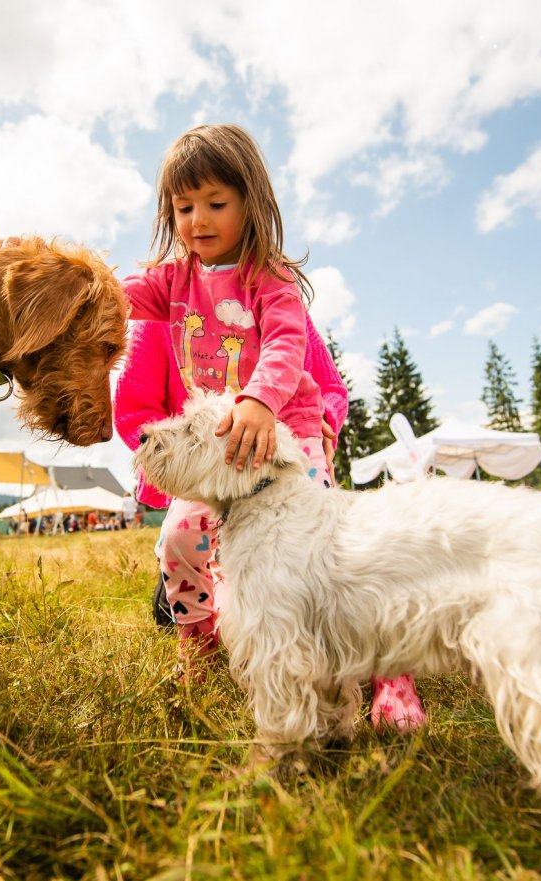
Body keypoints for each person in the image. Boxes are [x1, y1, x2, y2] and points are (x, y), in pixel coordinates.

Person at [117, 123, 423, 730]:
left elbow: (287, 344)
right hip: (220, 450)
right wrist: (76, 294)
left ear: (250, 202)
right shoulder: (172, 282)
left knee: (337, 557)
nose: (198, 219)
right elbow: (117, 295)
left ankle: (392, 674)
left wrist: (259, 399)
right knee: (180, 540)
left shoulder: (269, 278)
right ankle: (199, 651)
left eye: (215, 203)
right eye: (183, 207)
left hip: (287, 436)